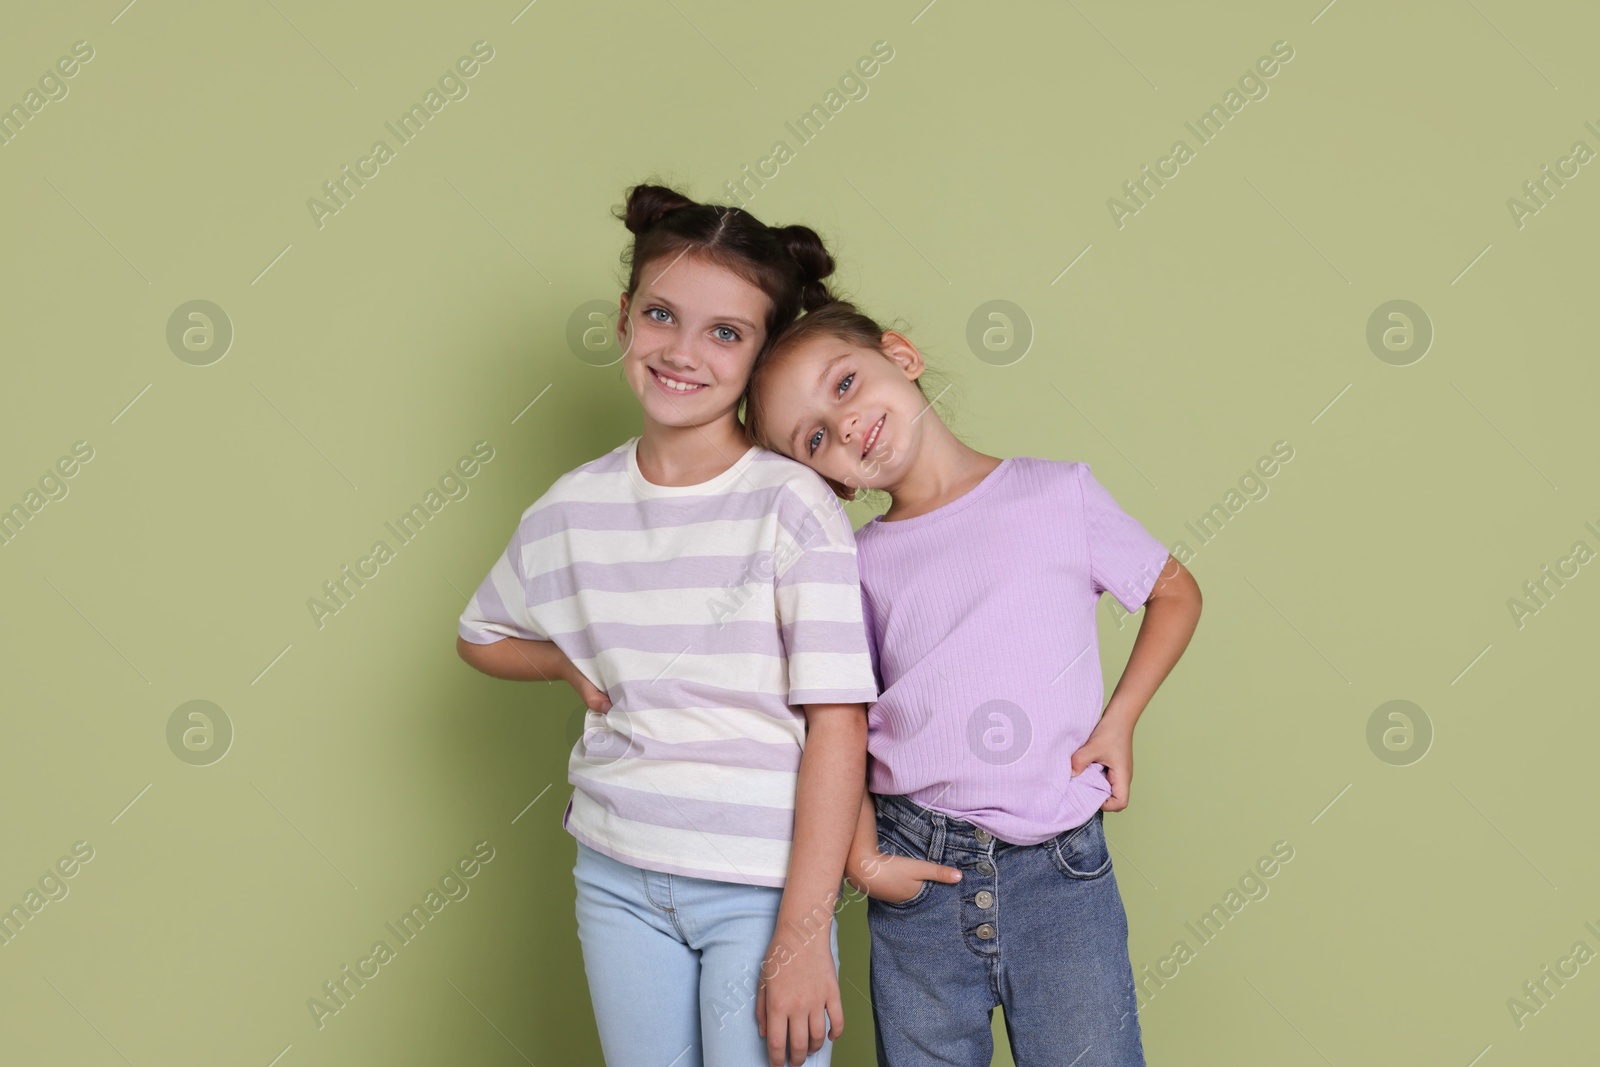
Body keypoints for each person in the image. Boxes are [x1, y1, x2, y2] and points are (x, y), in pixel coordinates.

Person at [455, 185, 877, 1067]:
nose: (683, 352)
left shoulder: (791, 507)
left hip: (761, 888)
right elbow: (479, 636)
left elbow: (839, 724)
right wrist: (568, 668)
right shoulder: (570, 510)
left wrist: (801, 936)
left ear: (762, 355)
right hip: (616, 877)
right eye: (661, 315)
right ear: (624, 318)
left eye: (725, 332)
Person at [742, 299, 1204, 1066]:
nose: (846, 424)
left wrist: (1119, 719)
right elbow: (840, 725)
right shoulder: (851, 564)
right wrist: (864, 860)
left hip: (1061, 874)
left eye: (847, 383)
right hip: (920, 880)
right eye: (814, 437)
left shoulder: (1057, 493)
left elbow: (1175, 591)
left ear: (903, 354)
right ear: (830, 480)